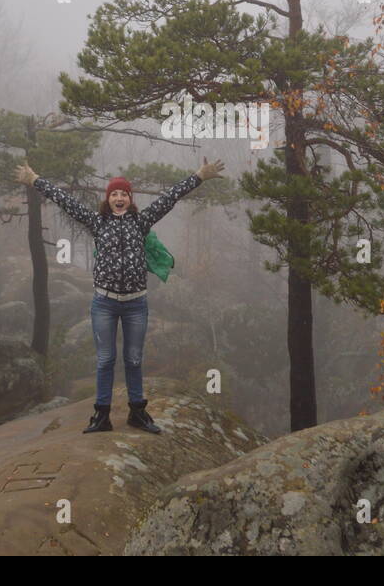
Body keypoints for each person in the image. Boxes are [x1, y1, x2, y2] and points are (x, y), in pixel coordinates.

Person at [13, 157, 225, 434]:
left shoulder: (142, 221)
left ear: (130, 199)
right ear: (108, 199)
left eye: (123, 193)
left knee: (134, 359)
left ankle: (137, 413)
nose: (119, 197)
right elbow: (65, 200)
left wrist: (199, 175)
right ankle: (101, 416)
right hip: (104, 303)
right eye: (114, 193)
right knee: (105, 360)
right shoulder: (97, 222)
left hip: (136, 304)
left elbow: (170, 197)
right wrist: (34, 179)